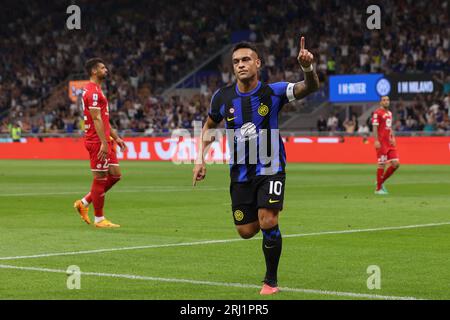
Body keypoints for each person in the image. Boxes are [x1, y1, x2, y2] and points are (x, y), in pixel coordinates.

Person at [192, 37, 319, 295]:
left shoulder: (274, 91)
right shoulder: (222, 97)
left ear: (258, 63)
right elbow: (208, 126)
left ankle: (270, 281)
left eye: (246, 59)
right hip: (240, 172)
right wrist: (200, 158)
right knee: (246, 230)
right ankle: (268, 229)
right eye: (236, 61)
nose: (241, 65)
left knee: (267, 219)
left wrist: (308, 68)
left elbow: (309, 87)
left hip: (270, 167)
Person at [73, 58, 127, 228]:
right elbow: (96, 119)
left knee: (115, 175)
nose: (107, 69)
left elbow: (104, 119)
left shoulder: (96, 90)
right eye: (103, 68)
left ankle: (84, 202)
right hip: (97, 140)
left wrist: (116, 138)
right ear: (94, 71)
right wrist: (104, 142)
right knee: (100, 178)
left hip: (104, 139)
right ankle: (99, 219)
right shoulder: (92, 92)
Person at [372, 96, 400, 195]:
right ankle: (378, 189)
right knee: (382, 164)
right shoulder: (377, 113)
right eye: (384, 100)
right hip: (381, 142)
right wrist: (376, 140)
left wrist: (393, 137)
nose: (386, 101)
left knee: (396, 164)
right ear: (380, 102)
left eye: (387, 100)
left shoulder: (390, 113)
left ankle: (380, 182)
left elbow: (389, 127)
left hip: (389, 142)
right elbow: (375, 127)